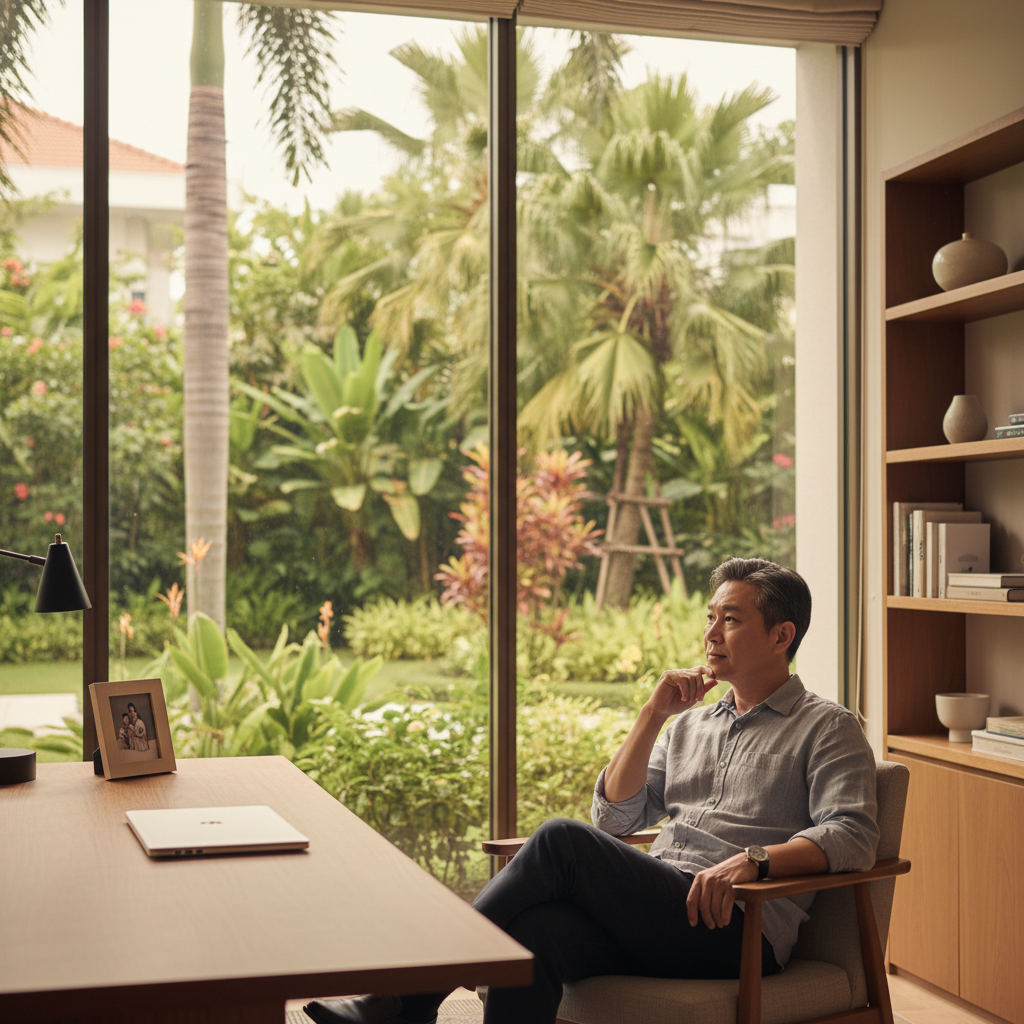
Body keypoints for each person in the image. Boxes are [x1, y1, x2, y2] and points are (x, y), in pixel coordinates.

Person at [304, 557, 878, 1024]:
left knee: (559, 839)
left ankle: (402, 1004)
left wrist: (751, 863)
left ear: (782, 635)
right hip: (662, 907)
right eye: (709, 618)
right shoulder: (689, 725)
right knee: (533, 934)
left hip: (734, 927)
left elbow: (851, 835)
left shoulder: (827, 726)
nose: (709, 635)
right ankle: (405, 1007)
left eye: (729, 620)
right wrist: (652, 716)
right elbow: (617, 817)